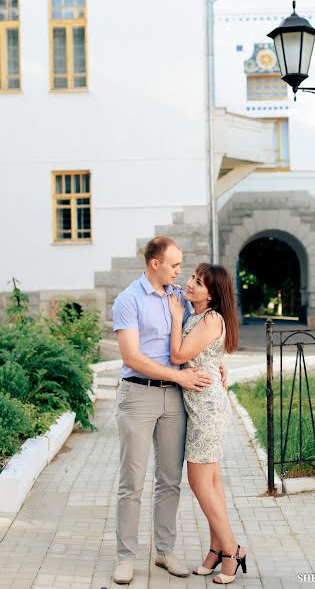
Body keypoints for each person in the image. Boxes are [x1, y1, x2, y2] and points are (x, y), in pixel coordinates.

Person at [111, 236, 226, 585]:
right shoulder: (128, 300)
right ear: (154, 263)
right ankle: (126, 557)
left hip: (177, 398)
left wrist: (219, 365)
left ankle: (165, 550)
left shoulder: (178, 295)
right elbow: (131, 357)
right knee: (132, 481)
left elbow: (205, 332)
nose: (180, 271)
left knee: (170, 481)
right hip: (138, 395)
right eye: (175, 265)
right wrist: (178, 374)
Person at [167, 263, 247, 585]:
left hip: (207, 409)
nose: (190, 284)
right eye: (192, 278)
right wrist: (218, 364)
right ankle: (216, 550)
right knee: (211, 483)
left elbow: (178, 355)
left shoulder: (210, 317)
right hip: (203, 405)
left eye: (198, 283)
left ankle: (232, 551)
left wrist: (174, 319)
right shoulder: (198, 315)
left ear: (212, 295)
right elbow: (205, 354)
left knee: (200, 483)